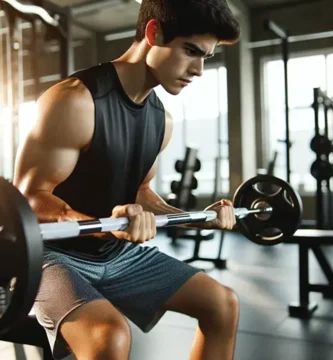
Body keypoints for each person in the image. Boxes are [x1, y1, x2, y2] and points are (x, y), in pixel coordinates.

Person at [13, 0, 241, 359]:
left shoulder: (161, 120)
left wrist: (195, 215)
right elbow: (29, 197)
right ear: (154, 33)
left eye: (206, 57)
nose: (198, 69)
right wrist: (104, 224)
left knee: (222, 304)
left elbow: (141, 191)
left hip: (113, 252)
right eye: (191, 51)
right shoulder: (76, 101)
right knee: (109, 336)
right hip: (48, 256)